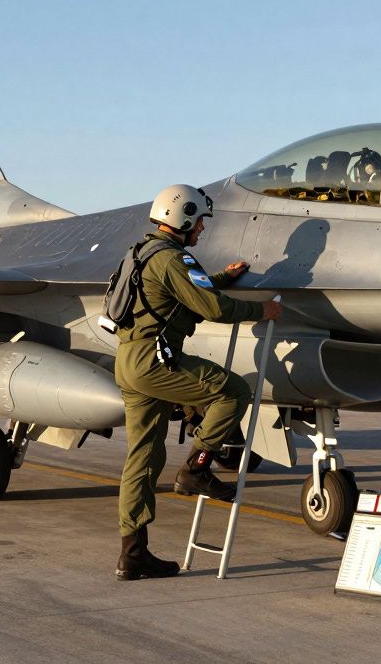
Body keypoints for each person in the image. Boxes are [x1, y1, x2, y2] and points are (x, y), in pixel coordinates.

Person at [113, 184, 283, 581]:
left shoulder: (141, 252)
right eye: (200, 221)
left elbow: (186, 290)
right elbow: (211, 307)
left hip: (129, 362)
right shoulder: (174, 258)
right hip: (156, 362)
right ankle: (196, 467)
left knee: (142, 459)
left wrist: (223, 276)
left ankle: (132, 554)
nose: (202, 228)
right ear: (183, 218)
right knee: (234, 391)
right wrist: (262, 310)